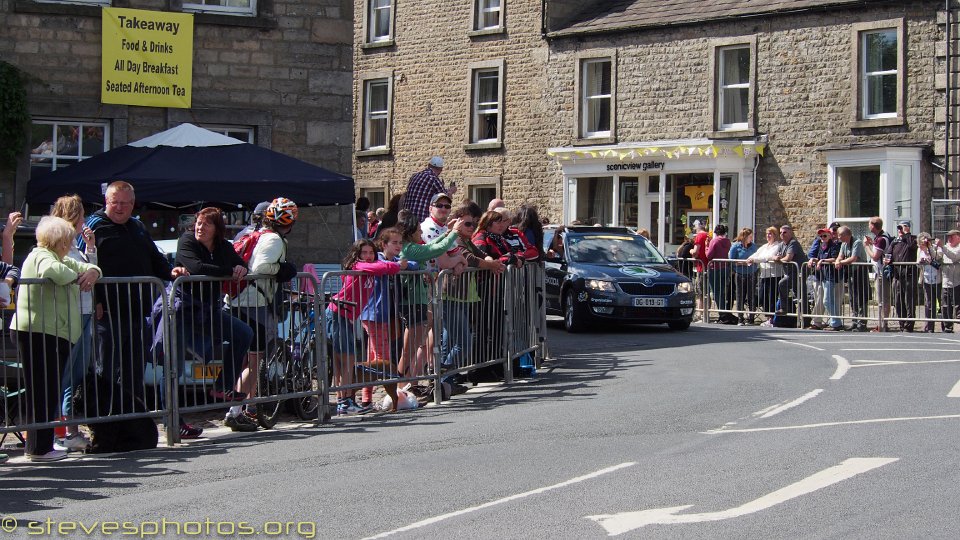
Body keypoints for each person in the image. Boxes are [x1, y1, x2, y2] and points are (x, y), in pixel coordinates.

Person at [83, 182, 197, 436]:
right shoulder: (94, 226)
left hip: (137, 312)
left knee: (134, 372)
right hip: (107, 313)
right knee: (107, 372)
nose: (120, 207)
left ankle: (131, 426)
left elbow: (155, 259)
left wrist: (171, 270)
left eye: (125, 202)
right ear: (106, 201)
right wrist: (96, 300)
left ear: (133, 204)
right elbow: (85, 265)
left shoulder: (137, 226)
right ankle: (104, 429)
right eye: (115, 202)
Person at [12, 216, 100, 462]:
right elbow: (56, 272)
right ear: (59, 241)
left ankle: (42, 445)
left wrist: (91, 271)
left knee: (48, 390)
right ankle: (39, 449)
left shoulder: (57, 256)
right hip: (38, 332)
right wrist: (78, 275)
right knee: (42, 391)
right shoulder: (42, 255)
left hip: (51, 332)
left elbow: (88, 267)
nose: (69, 244)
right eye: (67, 240)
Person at [174, 207, 256, 431]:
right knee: (175, 367)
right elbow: (196, 267)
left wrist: (240, 267)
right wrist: (228, 269)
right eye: (198, 223)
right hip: (184, 310)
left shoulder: (223, 247)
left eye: (206, 224)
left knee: (244, 333)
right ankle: (173, 422)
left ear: (217, 229)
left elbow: (242, 264)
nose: (200, 227)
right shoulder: (187, 241)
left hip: (208, 311)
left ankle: (222, 385)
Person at [231, 197, 299, 422]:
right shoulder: (274, 240)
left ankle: (244, 408)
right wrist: (283, 268)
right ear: (289, 224)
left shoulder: (259, 235)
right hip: (254, 303)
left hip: (243, 300)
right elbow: (261, 267)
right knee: (255, 360)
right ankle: (235, 411)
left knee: (251, 359)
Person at [328, 239, 404, 415]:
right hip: (337, 313)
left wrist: (391, 264)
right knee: (346, 361)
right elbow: (385, 268)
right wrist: (398, 264)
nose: (368, 256)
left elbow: (384, 266)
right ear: (357, 254)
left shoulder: (369, 266)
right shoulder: (358, 265)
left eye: (371, 253)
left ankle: (344, 402)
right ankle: (345, 402)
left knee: (345, 360)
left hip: (346, 316)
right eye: (365, 253)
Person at [50, 195, 95, 451]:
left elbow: (92, 273)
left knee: (77, 374)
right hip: (72, 314)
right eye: (81, 214)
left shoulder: (75, 243)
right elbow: (78, 273)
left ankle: (71, 430)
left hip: (84, 311)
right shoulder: (60, 243)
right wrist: (89, 269)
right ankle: (62, 432)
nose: (84, 220)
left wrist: (91, 249)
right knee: (66, 374)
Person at [397, 211, 460, 378]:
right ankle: (400, 387)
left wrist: (446, 233)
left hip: (417, 301)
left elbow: (428, 246)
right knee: (409, 349)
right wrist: (454, 234)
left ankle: (409, 384)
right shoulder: (409, 249)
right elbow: (434, 249)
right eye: (418, 230)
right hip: (412, 302)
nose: (421, 233)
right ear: (410, 233)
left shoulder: (413, 247)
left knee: (413, 346)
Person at [835, 226, 870, 332]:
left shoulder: (857, 242)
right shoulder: (844, 244)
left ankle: (862, 323)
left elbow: (853, 258)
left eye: (841, 235)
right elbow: (840, 255)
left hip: (860, 272)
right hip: (851, 272)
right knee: (852, 298)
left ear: (847, 235)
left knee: (861, 298)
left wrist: (840, 262)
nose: (839, 237)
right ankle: (854, 322)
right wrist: (838, 260)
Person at [747, 227, 783, 326]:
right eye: (767, 234)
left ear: (775, 235)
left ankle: (772, 319)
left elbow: (768, 257)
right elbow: (755, 254)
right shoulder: (764, 246)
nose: (768, 236)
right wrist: (750, 259)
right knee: (763, 297)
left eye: (770, 234)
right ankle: (768, 318)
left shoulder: (778, 246)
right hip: (764, 275)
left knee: (771, 297)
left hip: (774, 275)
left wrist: (755, 260)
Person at [403, 156, 456, 222]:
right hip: (421, 219)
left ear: (429, 165)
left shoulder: (415, 176)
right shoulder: (433, 179)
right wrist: (451, 191)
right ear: (440, 169)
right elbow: (445, 198)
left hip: (407, 219)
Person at [863, 216, 893, 331]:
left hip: (882, 273)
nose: (868, 226)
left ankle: (882, 324)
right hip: (880, 272)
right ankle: (881, 323)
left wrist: (866, 246)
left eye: (869, 224)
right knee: (881, 300)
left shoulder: (881, 239)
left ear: (873, 226)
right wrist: (871, 244)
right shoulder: (881, 237)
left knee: (883, 300)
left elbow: (875, 257)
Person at [889, 220, 918, 332]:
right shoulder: (895, 242)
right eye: (899, 228)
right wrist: (888, 260)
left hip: (909, 274)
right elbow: (888, 254)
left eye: (903, 227)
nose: (900, 230)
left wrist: (907, 234)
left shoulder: (912, 239)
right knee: (898, 300)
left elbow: (912, 246)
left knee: (909, 300)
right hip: (897, 275)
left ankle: (909, 324)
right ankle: (901, 323)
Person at [813, 228, 843, 330]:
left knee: (827, 300)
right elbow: (818, 257)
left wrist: (822, 260)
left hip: (831, 275)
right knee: (828, 300)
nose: (822, 238)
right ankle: (835, 322)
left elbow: (835, 258)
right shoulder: (822, 246)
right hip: (824, 276)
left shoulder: (833, 246)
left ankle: (836, 322)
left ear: (830, 235)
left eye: (824, 236)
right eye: (820, 236)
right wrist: (813, 260)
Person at [774, 225, 807, 315]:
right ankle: (802, 317)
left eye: (785, 232)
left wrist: (779, 260)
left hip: (799, 272)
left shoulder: (793, 243)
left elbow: (789, 257)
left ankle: (785, 309)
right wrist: (776, 257)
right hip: (790, 273)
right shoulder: (781, 244)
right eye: (781, 232)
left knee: (783, 284)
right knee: (799, 294)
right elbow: (775, 255)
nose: (782, 234)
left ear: (790, 233)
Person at [729, 227, 758, 325]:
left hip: (752, 273)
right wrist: (743, 263)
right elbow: (731, 261)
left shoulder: (753, 246)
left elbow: (757, 257)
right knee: (740, 296)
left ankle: (751, 318)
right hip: (740, 274)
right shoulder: (736, 246)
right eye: (750, 236)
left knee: (751, 296)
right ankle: (740, 318)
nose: (751, 238)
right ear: (744, 237)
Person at [706, 224, 733, 324]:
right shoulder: (728, 241)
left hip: (715, 268)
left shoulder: (715, 241)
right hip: (725, 268)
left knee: (716, 292)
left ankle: (722, 314)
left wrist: (706, 247)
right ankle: (724, 312)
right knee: (722, 291)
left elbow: (709, 255)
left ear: (716, 232)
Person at [917, 232, 942, 333]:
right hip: (926, 278)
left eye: (926, 240)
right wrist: (921, 261)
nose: (924, 242)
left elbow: (938, 257)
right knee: (928, 303)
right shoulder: (919, 249)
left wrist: (928, 249)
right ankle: (929, 326)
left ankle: (945, 326)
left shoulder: (936, 247)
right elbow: (918, 264)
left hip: (938, 278)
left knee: (941, 302)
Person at [941, 230, 960, 333]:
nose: (949, 238)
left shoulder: (959, 247)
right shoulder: (946, 247)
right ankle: (947, 327)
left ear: (958, 237)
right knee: (945, 306)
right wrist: (930, 247)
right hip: (945, 281)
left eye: (951, 236)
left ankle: (958, 327)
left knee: (957, 305)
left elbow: (954, 257)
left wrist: (942, 247)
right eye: (948, 237)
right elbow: (937, 256)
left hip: (957, 281)